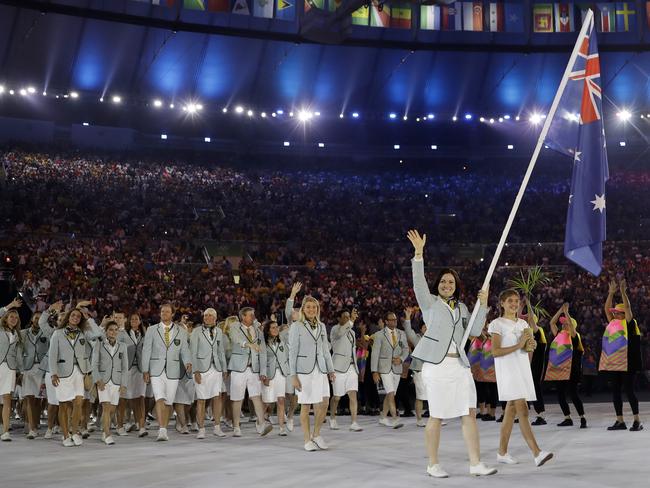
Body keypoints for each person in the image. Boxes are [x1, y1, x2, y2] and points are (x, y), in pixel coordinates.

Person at [407, 229, 496, 478]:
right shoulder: (430, 303)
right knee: (436, 415)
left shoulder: (464, 307)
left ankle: (475, 463)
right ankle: (433, 464)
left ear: (456, 287)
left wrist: (484, 304)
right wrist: (418, 253)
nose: (447, 285)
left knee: (469, 412)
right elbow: (418, 284)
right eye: (444, 281)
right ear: (438, 285)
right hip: (436, 366)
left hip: (460, 366)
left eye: (452, 282)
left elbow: (476, 330)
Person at [489, 289, 553, 468]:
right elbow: (495, 351)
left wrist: (529, 346)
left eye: (516, 301)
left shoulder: (524, 324)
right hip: (508, 372)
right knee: (523, 410)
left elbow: (526, 350)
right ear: (502, 303)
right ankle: (537, 452)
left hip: (521, 369)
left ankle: (502, 452)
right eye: (510, 300)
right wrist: (519, 344)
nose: (514, 304)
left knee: (510, 411)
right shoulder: (497, 324)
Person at [48, 301, 104, 446]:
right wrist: (53, 373)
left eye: (78, 317)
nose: (75, 318)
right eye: (73, 315)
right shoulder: (57, 333)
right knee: (64, 405)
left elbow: (98, 334)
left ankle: (74, 432)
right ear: (68, 316)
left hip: (80, 372)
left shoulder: (83, 333)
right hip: (62, 373)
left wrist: (88, 318)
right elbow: (52, 355)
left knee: (78, 403)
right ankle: (66, 436)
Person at [289, 296, 335, 451]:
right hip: (304, 371)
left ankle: (316, 434)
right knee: (306, 405)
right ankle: (307, 439)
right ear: (303, 309)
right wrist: (293, 375)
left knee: (325, 402)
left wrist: (330, 369)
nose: (311, 309)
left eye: (314, 307)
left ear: (317, 309)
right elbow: (292, 352)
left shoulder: (321, 326)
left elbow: (325, 350)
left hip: (320, 369)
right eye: (308, 307)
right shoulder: (297, 326)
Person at [141, 302, 192, 441]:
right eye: (162, 312)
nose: (164, 314)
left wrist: (188, 362)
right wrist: (145, 370)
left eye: (167, 312)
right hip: (156, 370)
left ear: (172, 314)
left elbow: (185, 349)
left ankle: (163, 426)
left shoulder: (181, 331)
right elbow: (146, 351)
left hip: (173, 370)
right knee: (159, 398)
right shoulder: (152, 330)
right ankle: (162, 430)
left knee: (169, 402)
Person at [601, 279, 643, 431]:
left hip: (628, 362)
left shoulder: (630, 323)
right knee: (616, 391)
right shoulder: (613, 323)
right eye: (615, 312)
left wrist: (623, 293)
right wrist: (611, 293)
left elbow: (628, 307)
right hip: (615, 362)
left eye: (618, 312)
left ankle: (637, 420)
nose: (615, 313)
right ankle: (620, 421)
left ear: (623, 313)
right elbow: (606, 309)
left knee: (629, 391)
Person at [228, 307, 272, 437]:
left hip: (254, 369)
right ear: (243, 317)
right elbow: (235, 338)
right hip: (238, 369)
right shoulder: (235, 326)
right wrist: (248, 344)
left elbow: (263, 352)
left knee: (256, 396)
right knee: (237, 398)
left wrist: (263, 371)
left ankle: (262, 424)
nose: (253, 317)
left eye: (254, 315)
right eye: (250, 315)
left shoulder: (258, 331)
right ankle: (236, 426)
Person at [190, 308, 228, 439]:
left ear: (215, 318)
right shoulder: (196, 332)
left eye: (210, 315)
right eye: (205, 315)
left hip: (216, 369)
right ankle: (201, 429)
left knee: (217, 398)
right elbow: (192, 352)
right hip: (201, 369)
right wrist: (195, 370)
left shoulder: (219, 331)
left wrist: (224, 369)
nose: (207, 317)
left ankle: (217, 427)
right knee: (201, 399)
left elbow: (221, 351)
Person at [547, 303, 586, 428]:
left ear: (571, 326)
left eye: (566, 323)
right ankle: (567, 418)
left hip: (571, 371)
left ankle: (582, 418)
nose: (563, 324)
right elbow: (552, 323)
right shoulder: (559, 335)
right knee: (560, 395)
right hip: (559, 370)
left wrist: (567, 313)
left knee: (573, 395)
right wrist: (561, 311)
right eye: (563, 323)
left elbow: (573, 330)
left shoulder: (574, 337)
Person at [92, 320, 129, 445]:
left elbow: (125, 367)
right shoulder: (99, 344)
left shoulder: (122, 346)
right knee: (106, 407)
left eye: (115, 330)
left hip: (117, 381)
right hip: (103, 381)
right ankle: (107, 434)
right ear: (106, 331)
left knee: (112, 409)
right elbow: (94, 364)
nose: (113, 332)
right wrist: (98, 380)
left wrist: (124, 384)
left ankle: (104, 429)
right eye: (110, 330)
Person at [371, 311, 408, 429]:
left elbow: (406, 349)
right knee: (391, 393)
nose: (394, 322)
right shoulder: (379, 335)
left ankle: (382, 417)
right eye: (391, 320)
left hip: (397, 368)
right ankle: (395, 418)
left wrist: (401, 359)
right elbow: (375, 354)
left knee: (390, 393)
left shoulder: (402, 333)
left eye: (395, 320)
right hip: (384, 368)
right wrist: (374, 371)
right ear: (386, 321)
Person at [329, 308, 363, 432]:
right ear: (339, 318)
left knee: (353, 394)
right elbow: (340, 333)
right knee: (337, 397)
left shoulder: (352, 332)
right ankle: (332, 417)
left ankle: (354, 422)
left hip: (351, 367)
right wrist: (352, 321)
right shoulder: (335, 329)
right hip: (338, 368)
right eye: (345, 316)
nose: (348, 318)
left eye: (349, 316)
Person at [20, 308, 50, 438]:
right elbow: (19, 353)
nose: (38, 320)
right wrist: (20, 370)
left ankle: (35, 424)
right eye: (36, 318)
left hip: (43, 369)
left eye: (40, 318)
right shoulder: (22, 333)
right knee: (29, 398)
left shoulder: (47, 333)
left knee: (39, 400)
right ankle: (31, 427)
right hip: (27, 368)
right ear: (32, 319)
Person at [118, 313, 147, 437]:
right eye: (132, 318)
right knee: (123, 399)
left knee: (139, 399)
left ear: (140, 321)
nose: (134, 320)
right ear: (128, 321)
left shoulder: (144, 335)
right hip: (126, 370)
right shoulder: (122, 334)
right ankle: (120, 426)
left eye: (137, 319)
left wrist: (147, 370)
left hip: (140, 370)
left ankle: (141, 426)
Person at [262, 319, 289, 436]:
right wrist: (264, 375)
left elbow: (286, 357)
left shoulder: (281, 342)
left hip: (281, 374)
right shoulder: (263, 343)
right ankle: (260, 422)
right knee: (267, 402)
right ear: (267, 330)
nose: (275, 329)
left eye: (276, 327)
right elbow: (262, 360)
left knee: (281, 400)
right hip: (269, 374)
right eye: (272, 327)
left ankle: (282, 427)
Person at [0, 302, 23, 441]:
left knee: (7, 399)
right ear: (5, 318)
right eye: (11, 317)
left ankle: (5, 430)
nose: (13, 319)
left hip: (10, 369)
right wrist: (9, 306)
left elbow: (19, 355)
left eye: (16, 317)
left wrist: (21, 371)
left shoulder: (17, 335)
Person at [403, 306, 428, 427]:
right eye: (425, 327)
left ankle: (437, 418)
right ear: (422, 329)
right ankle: (419, 420)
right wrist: (408, 318)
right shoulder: (418, 339)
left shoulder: (436, 341)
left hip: (433, 372)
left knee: (434, 396)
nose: (427, 329)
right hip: (420, 372)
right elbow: (408, 332)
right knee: (421, 396)